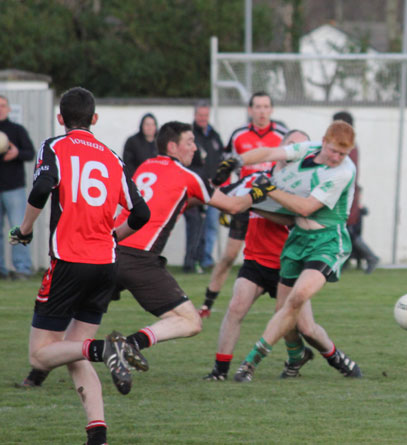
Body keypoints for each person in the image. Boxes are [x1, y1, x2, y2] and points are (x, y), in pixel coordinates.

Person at [19, 121, 274, 392]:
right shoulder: (187, 175)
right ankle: (130, 345)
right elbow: (234, 205)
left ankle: (35, 376)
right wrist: (259, 192)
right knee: (190, 322)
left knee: (75, 320)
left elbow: (176, 198)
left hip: (108, 252)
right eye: (189, 142)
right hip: (139, 258)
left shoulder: (146, 167)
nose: (195, 147)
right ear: (173, 146)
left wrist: (216, 185)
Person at [9, 87, 150, 445]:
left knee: (41, 355)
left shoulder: (55, 146)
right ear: (95, 119)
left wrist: (24, 231)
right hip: (106, 264)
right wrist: (113, 236)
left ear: (60, 119)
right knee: (74, 348)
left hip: (70, 261)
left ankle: (106, 350)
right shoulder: (112, 157)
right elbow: (142, 213)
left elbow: (41, 188)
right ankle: (97, 434)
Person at [215, 120, 363, 382]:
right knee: (296, 321)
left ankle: (250, 363)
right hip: (297, 240)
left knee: (296, 300)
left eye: (343, 154)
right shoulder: (307, 149)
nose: (337, 158)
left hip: (327, 241)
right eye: (333, 151)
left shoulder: (342, 171)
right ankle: (330, 357)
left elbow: (305, 208)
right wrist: (238, 161)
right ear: (324, 141)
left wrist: (269, 191)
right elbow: (270, 153)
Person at [204, 130, 310, 381]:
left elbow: (296, 219)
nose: (295, 151)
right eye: (291, 145)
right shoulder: (257, 178)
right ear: (281, 147)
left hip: (288, 265)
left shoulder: (304, 188)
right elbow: (218, 194)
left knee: (306, 328)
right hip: (255, 261)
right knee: (236, 306)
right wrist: (215, 184)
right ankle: (220, 371)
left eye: (301, 147)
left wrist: (259, 203)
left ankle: (335, 358)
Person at [199, 91, 287, 317]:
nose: (261, 111)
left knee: (281, 256)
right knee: (229, 255)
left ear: (272, 110)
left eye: (266, 106)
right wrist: (225, 200)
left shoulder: (282, 135)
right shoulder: (238, 135)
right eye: (257, 106)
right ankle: (207, 304)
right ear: (250, 110)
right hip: (245, 202)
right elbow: (226, 168)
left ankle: (287, 305)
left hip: (272, 205)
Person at [333, 111, 379, 274]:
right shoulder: (344, 144)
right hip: (344, 193)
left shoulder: (347, 146)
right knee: (343, 229)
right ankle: (342, 262)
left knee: (349, 230)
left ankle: (371, 257)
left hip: (346, 194)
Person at [183, 101, 224, 273]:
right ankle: (193, 260)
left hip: (213, 189)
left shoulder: (214, 136)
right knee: (196, 226)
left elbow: (221, 160)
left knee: (212, 225)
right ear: (195, 115)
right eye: (200, 115)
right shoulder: (189, 135)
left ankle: (206, 259)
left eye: (205, 115)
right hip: (195, 189)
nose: (202, 118)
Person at [0, 94, 35, 280]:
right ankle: (1, 270)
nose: (1, 109)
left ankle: (22, 268)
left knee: (18, 229)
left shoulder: (17, 130)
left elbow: (30, 153)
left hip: (14, 188)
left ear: (9, 108)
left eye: (3, 105)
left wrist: (16, 153)